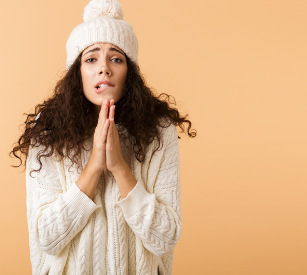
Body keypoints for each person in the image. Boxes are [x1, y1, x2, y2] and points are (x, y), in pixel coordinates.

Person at [11, 0, 196, 274]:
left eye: (116, 58)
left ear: (129, 73)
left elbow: (165, 238)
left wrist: (120, 167)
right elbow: (47, 239)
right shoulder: (48, 130)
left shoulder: (159, 129)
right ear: (78, 72)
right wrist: (95, 165)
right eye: (91, 58)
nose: (104, 68)